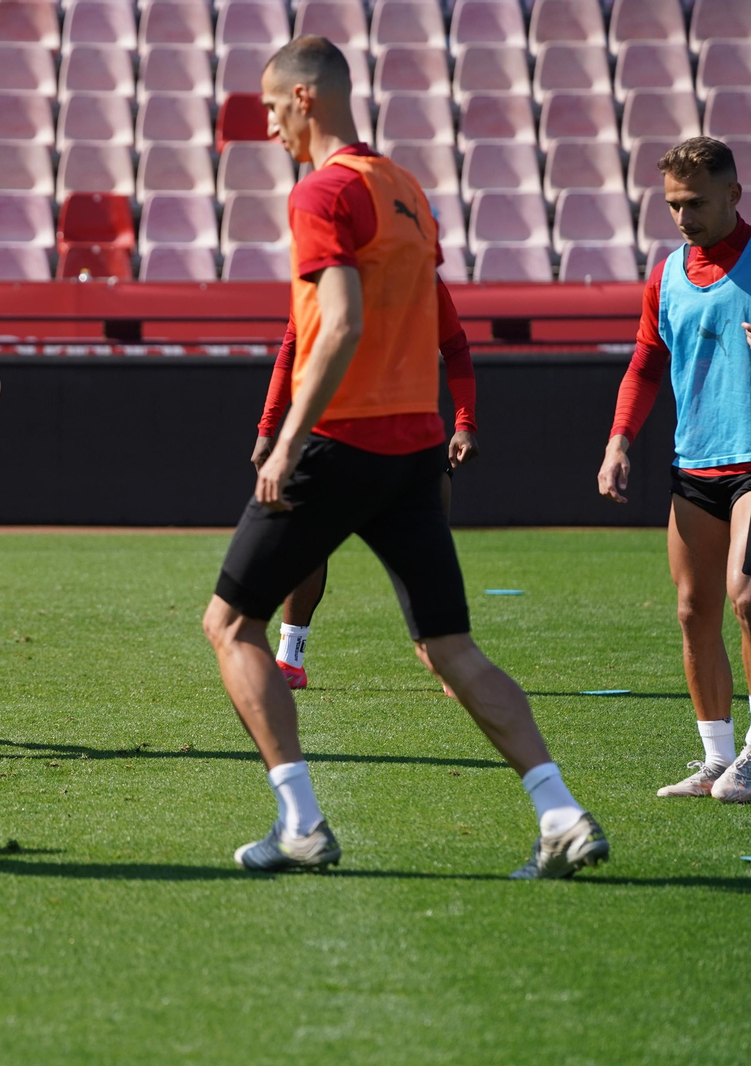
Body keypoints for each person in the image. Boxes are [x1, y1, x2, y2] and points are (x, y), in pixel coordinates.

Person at [202, 37, 608, 878]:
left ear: (305, 98)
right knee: (450, 645)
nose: (270, 127)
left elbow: (341, 324)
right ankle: (560, 812)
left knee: (231, 625)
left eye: (273, 108)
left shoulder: (321, 191)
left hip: (339, 441)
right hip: (414, 449)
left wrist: (286, 439)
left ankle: (300, 823)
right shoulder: (405, 187)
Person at [598, 136, 751, 803]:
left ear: (733, 194)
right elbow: (645, 364)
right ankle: (717, 758)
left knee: (748, 597)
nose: (682, 217)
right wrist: (618, 441)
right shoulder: (666, 274)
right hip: (695, 465)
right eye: (672, 205)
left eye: (695, 203)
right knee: (694, 612)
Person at [253, 292, 479, 693]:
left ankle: (449, 658)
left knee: (430, 552)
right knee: (304, 543)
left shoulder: (419, 272)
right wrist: (267, 428)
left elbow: (455, 346)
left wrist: (465, 423)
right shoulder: (317, 274)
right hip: (335, 434)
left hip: (407, 434)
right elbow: (291, 346)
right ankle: (289, 660)